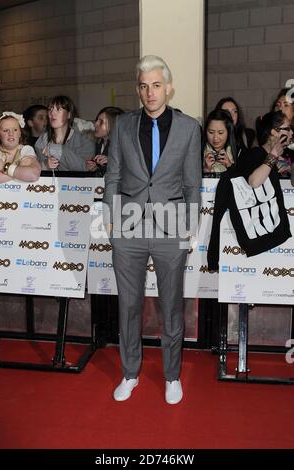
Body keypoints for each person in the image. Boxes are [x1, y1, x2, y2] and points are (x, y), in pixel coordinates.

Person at [103, 55, 201, 404]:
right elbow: (113, 175)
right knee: (128, 305)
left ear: (168, 88)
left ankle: (172, 375)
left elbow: (192, 183)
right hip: (128, 225)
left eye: (156, 85)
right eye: (144, 86)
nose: (150, 92)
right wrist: (110, 222)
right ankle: (130, 373)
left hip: (172, 225)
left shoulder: (190, 128)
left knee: (171, 306)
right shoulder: (124, 126)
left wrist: (190, 226)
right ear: (138, 89)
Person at [207, 110, 292, 271]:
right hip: (256, 245)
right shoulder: (254, 155)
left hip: (271, 242)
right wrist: (273, 155)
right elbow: (254, 181)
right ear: (274, 132)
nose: (291, 132)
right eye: (287, 128)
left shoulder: (273, 159)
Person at [35, 95, 95, 171]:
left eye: (58, 109)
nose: (52, 113)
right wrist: (46, 165)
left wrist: (58, 150)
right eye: (50, 109)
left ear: (69, 114)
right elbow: (34, 169)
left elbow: (84, 168)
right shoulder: (42, 142)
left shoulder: (84, 141)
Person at [0, 111, 41, 183]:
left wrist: (2, 166)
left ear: (20, 133)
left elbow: (33, 174)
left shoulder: (26, 150)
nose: (11, 133)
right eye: (5, 130)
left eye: (15, 130)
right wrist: (19, 173)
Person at [86, 106, 124, 177]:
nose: (95, 124)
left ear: (114, 124)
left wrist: (112, 161)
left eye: (101, 122)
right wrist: (95, 168)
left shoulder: (122, 145)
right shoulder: (98, 144)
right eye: (97, 120)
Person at [202, 109, 238, 174]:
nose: (215, 138)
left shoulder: (239, 152)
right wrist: (206, 169)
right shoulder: (198, 151)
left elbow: (242, 180)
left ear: (229, 132)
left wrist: (229, 165)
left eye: (220, 133)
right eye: (211, 132)